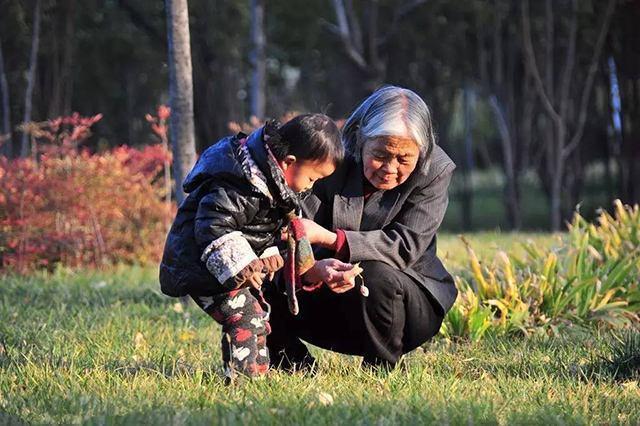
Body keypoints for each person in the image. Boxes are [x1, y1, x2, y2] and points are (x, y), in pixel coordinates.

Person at [266, 86, 457, 370]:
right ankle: (291, 361)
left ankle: (380, 367)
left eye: (404, 159)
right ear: (359, 139)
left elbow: (405, 246)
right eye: (380, 154)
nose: (390, 169)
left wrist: (332, 240)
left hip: (403, 305)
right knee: (254, 267)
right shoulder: (327, 156)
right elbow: (291, 228)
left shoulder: (435, 169)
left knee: (376, 272)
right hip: (319, 292)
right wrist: (314, 268)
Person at [159, 114, 345, 379]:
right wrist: (246, 265)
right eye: (313, 178)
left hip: (226, 268)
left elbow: (259, 229)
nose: (310, 187)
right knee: (244, 316)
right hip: (204, 267)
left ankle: (258, 369)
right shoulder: (240, 184)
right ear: (288, 163)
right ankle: (244, 376)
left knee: (257, 315)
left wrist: (268, 254)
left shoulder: (274, 187)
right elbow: (213, 226)